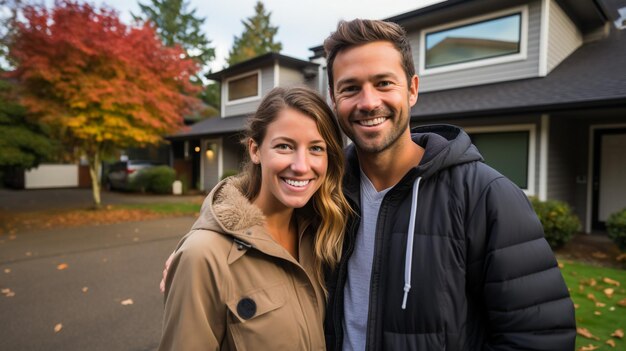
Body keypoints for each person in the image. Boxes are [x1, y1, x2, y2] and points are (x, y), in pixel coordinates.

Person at [321, 19, 576, 350]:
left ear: (412, 89)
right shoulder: (325, 193)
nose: (368, 102)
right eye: (350, 87)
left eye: (384, 83)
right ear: (333, 97)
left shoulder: (485, 196)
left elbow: (539, 338)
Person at [158, 86, 352, 350]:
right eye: (284, 146)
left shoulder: (321, 236)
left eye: (316, 148)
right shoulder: (203, 255)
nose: (301, 166)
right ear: (255, 150)